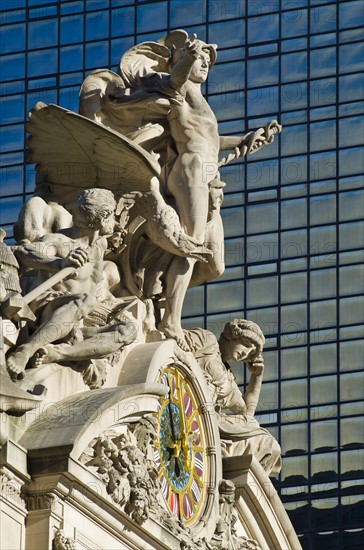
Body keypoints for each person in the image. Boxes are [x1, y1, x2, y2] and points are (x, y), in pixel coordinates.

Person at [6, 188, 122, 381]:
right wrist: (58, 263)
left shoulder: (99, 245)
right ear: (101, 220)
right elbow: (22, 253)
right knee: (85, 300)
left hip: (77, 323)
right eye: (112, 216)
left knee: (128, 330)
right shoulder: (60, 240)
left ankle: (60, 353)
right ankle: (26, 350)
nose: (115, 222)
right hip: (48, 312)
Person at [182, 319, 281, 475]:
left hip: (209, 420)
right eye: (247, 345)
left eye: (251, 353)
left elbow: (247, 413)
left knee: (268, 445)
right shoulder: (206, 340)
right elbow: (173, 340)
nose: (246, 353)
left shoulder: (228, 380)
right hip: (185, 402)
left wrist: (257, 376)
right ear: (234, 335)